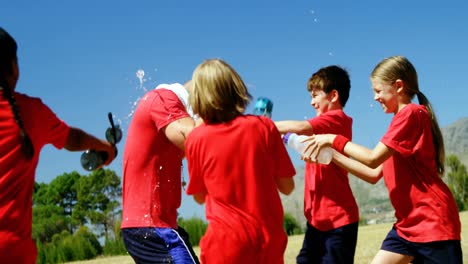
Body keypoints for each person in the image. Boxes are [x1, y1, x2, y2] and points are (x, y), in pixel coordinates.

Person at [304, 56, 463, 263]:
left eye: (378, 91)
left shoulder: (411, 114)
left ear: (398, 86)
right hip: (406, 227)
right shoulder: (398, 124)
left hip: (433, 224)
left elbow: (372, 158)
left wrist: (333, 139)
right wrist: (329, 155)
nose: (375, 97)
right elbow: (372, 174)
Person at [0, 27, 117, 263]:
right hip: (13, 253)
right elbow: (71, 138)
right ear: (13, 67)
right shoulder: (30, 113)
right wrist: (105, 146)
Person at [185, 58, 296, 264]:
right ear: (237, 88)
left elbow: (200, 196)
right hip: (268, 241)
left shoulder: (195, 139)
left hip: (225, 245)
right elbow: (287, 186)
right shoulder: (264, 127)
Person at [275, 65, 359, 263]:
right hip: (317, 222)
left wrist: (257, 126)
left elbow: (299, 127)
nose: (312, 102)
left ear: (333, 96)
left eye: (315, 96)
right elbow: (294, 136)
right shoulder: (322, 125)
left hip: (339, 221)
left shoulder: (336, 119)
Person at [121, 80, 200, 263]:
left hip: (153, 226)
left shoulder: (167, 114)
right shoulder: (164, 99)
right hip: (153, 225)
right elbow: (196, 138)